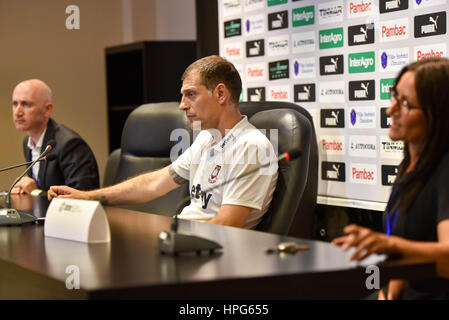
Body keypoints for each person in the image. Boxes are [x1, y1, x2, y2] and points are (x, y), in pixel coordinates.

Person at [48, 55, 278, 229]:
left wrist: (166, 238)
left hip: (211, 260)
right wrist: (86, 197)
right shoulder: (207, 139)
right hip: (186, 244)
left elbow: (227, 226)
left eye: (191, 94)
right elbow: (153, 184)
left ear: (220, 94)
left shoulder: (252, 147)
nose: (182, 105)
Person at [332, 57, 449, 299]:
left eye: (405, 103)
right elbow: (402, 259)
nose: (390, 110)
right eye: (394, 96)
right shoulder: (411, 167)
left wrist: (392, 246)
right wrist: (387, 295)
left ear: (437, 114)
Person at [11, 79, 100, 194]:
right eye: (15, 104)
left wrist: (36, 193)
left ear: (47, 109)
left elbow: (81, 200)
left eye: (26, 104)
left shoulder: (70, 145)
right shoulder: (27, 142)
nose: (18, 112)